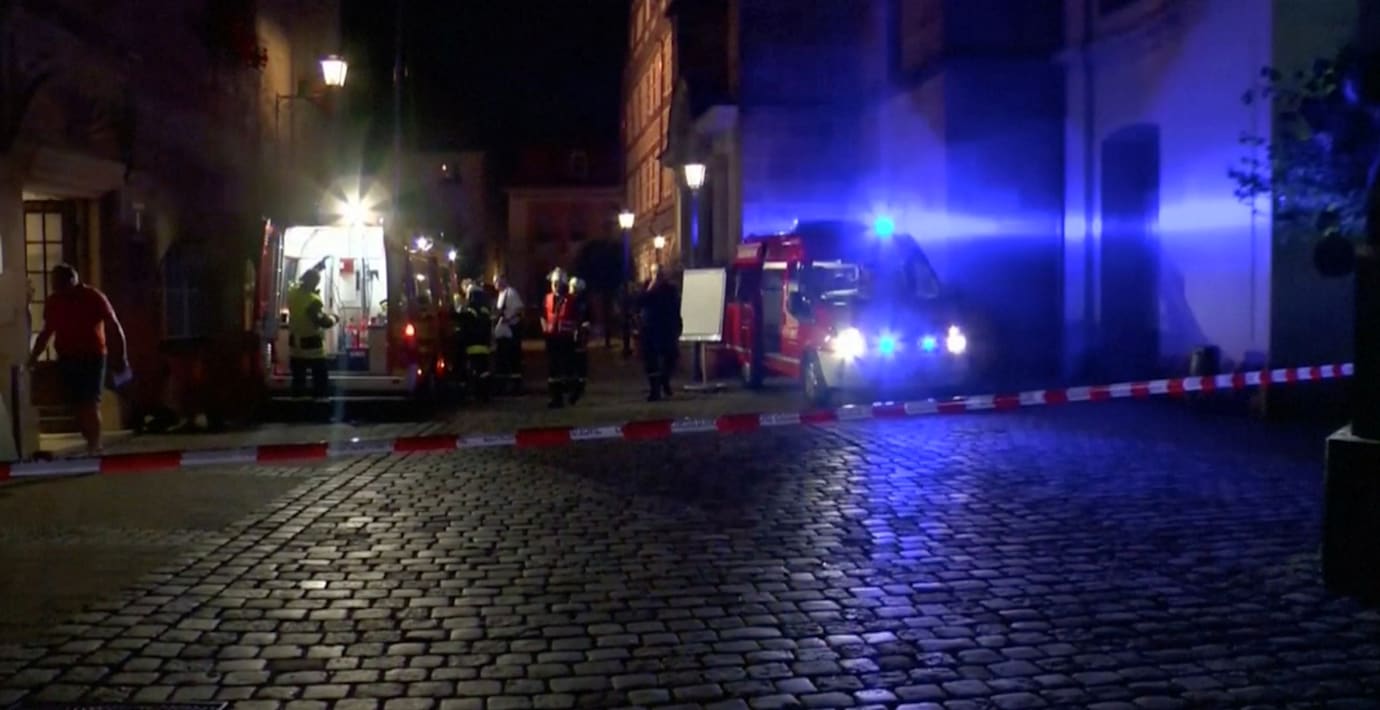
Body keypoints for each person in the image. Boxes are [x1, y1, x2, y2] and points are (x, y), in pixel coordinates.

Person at [27, 263, 129, 455]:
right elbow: (46, 332)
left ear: (72, 281)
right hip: (67, 357)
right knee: (76, 403)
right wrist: (33, 357)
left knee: (89, 401)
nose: (55, 287)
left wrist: (121, 355)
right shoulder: (54, 302)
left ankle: (95, 444)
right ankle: (90, 440)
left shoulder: (93, 297)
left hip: (92, 356)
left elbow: (114, 326)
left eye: (58, 283)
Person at [286, 267, 338, 401]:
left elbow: (299, 283)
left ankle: (298, 406)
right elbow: (323, 322)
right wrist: (334, 318)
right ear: (315, 283)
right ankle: (320, 404)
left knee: (298, 378)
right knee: (320, 377)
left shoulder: (292, 293)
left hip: (295, 345)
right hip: (311, 345)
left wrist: (318, 267)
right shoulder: (312, 300)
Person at [638, 264, 681, 401]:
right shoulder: (647, 287)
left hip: (666, 327)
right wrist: (650, 289)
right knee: (651, 360)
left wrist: (678, 324)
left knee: (671, 356)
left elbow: (675, 307)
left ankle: (664, 379)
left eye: (659, 273)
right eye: (654, 273)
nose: (657, 276)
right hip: (649, 328)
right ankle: (654, 390)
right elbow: (639, 302)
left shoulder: (670, 289)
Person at [540, 268, 576, 408]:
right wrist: (545, 329)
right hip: (552, 338)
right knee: (553, 369)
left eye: (558, 283)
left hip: (566, 338)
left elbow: (577, 318)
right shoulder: (547, 298)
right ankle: (556, 397)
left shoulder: (570, 300)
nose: (555, 286)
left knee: (566, 367)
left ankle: (570, 392)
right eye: (554, 283)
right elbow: (543, 316)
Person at [456, 280, 494, 402]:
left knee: (475, 370)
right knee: (484, 371)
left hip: (473, 345)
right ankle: (486, 394)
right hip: (484, 345)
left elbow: (463, 321)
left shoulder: (470, 309)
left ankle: (478, 394)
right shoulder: (484, 309)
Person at [492, 274, 524, 394]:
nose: (495, 283)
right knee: (503, 360)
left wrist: (509, 319)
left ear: (503, 280)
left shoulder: (511, 293)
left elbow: (519, 309)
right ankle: (503, 385)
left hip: (511, 331)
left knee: (513, 358)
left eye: (496, 280)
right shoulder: (501, 295)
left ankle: (516, 386)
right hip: (503, 333)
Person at [567, 276, 592, 404]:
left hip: (580, 335)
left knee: (580, 360)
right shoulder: (569, 301)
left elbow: (589, 318)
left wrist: (584, 327)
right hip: (571, 334)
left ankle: (579, 385)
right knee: (573, 360)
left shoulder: (583, 302)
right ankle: (575, 384)